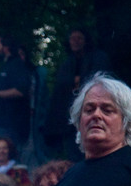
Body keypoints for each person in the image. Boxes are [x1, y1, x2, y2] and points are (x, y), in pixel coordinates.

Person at [46, 29, 110, 160]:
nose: (75, 42)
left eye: (79, 38)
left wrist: (79, 82)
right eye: (72, 38)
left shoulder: (98, 58)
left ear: (86, 40)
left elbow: (98, 81)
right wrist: (74, 81)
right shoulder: (67, 63)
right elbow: (61, 85)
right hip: (70, 120)